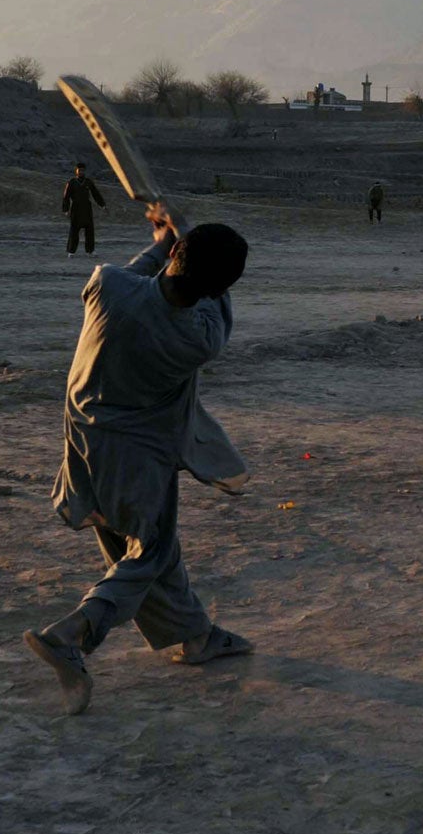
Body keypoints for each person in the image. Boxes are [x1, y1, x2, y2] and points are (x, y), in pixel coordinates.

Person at [24, 202, 253, 715]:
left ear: (173, 254)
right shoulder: (200, 338)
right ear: (218, 288)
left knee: (150, 543)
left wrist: (167, 235)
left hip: (82, 439)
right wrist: (180, 231)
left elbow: (142, 272)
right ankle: (72, 633)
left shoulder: (106, 287)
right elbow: (208, 298)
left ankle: (195, 636)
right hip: (135, 454)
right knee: (145, 552)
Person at [61, 161, 107, 255]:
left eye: (83, 170)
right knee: (74, 230)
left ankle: (90, 251)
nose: (81, 172)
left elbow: (95, 194)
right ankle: (71, 251)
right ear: (76, 171)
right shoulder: (72, 182)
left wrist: (102, 205)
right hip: (76, 209)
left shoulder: (88, 182)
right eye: (79, 170)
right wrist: (66, 209)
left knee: (89, 230)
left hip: (87, 208)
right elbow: (66, 197)